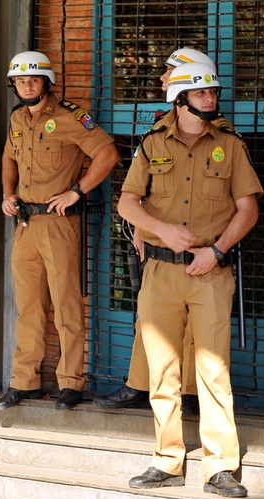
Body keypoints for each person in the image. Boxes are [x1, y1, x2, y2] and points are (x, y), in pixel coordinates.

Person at [119, 62, 262, 498]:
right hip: (160, 271)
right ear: (178, 99)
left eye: (212, 92)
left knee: (214, 371)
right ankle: (167, 461)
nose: (210, 99)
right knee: (162, 372)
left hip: (211, 273)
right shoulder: (151, 144)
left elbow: (248, 208)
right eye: (201, 93)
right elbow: (128, 203)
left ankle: (221, 467)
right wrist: (161, 231)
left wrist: (216, 251)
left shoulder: (230, 146)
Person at [93, 47, 221, 414]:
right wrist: (141, 228)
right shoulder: (161, 128)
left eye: (169, 72)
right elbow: (143, 190)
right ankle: (141, 383)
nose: (162, 78)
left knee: (196, 330)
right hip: (157, 242)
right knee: (150, 320)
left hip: (199, 248)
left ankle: (192, 393)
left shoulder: (218, 134)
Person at [0, 51, 119, 410]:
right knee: (28, 308)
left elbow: (108, 154)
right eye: (20, 81)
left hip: (58, 222)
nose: (27, 86)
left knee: (66, 305)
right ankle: (25, 381)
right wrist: (7, 193)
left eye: (33, 80)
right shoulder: (18, 118)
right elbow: (9, 158)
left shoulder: (69, 116)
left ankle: (71, 383)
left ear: (46, 82)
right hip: (24, 221)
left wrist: (77, 190)